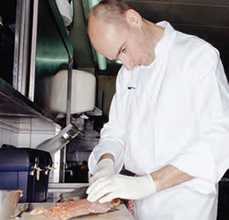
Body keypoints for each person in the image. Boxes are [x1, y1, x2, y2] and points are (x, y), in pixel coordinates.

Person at [86, 0, 229, 219]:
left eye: (123, 50)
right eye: (117, 59)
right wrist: (106, 163)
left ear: (133, 19)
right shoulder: (127, 74)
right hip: (142, 204)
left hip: (186, 206)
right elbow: (116, 132)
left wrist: (148, 183)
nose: (128, 63)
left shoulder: (197, 56)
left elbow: (220, 140)